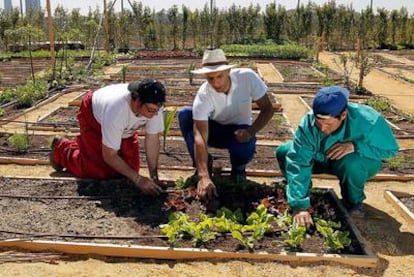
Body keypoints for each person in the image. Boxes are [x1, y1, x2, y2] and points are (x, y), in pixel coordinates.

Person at [275, 86, 399, 227]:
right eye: (319, 122)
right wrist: (300, 206)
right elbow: (298, 161)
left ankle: (353, 202)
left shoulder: (369, 120)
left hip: (352, 164)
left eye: (328, 124)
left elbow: (390, 150)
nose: (323, 128)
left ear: (343, 115)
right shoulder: (309, 123)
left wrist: (355, 146)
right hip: (321, 159)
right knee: (285, 151)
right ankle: (302, 193)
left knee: (352, 163)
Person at [178, 48, 275, 201]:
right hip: (214, 129)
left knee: (244, 146)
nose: (216, 83)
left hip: (239, 132)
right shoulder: (204, 94)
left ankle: (238, 169)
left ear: (229, 71)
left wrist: (250, 131)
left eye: (219, 76)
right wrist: (203, 175)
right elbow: (200, 136)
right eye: (210, 78)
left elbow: (268, 109)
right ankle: (204, 165)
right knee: (185, 115)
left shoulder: (247, 78)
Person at [50, 79, 166, 195]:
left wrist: (154, 177)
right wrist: (138, 179)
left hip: (124, 128)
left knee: (130, 169)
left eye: (157, 110)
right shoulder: (116, 110)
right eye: (151, 110)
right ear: (137, 101)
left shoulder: (154, 106)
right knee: (98, 172)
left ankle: (88, 148)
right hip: (94, 116)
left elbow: (152, 139)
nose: (155, 114)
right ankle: (62, 149)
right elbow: (109, 155)